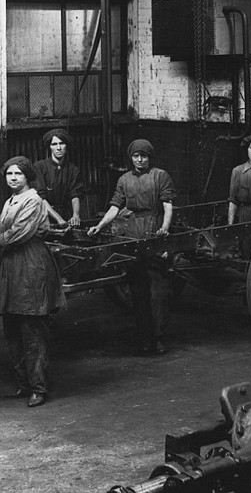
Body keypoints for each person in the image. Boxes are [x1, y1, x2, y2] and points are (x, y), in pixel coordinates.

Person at [0, 156, 64, 408]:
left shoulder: (33, 200)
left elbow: (18, 233)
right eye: (9, 174)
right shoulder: (11, 200)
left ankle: (39, 388)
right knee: (12, 329)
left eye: (18, 174)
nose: (12, 178)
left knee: (32, 330)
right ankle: (24, 384)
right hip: (12, 266)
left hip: (31, 265)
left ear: (27, 177)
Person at [87, 139, 175, 356]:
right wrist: (99, 226)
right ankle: (144, 339)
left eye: (143, 156)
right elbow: (114, 208)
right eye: (136, 156)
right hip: (132, 233)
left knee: (158, 292)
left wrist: (163, 228)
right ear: (131, 158)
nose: (139, 159)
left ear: (149, 157)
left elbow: (168, 205)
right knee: (139, 292)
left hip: (153, 229)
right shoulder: (124, 179)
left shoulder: (160, 176)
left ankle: (158, 338)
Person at [33, 129, 84, 227]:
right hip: (45, 215)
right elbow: (40, 198)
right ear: (49, 147)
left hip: (66, 214)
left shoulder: (73, 169)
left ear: (67, 146)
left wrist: (76, 215)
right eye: (54, 144)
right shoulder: (39, 167)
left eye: (62, 143)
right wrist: (58, 219)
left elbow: (75, 194)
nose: (59, 148)